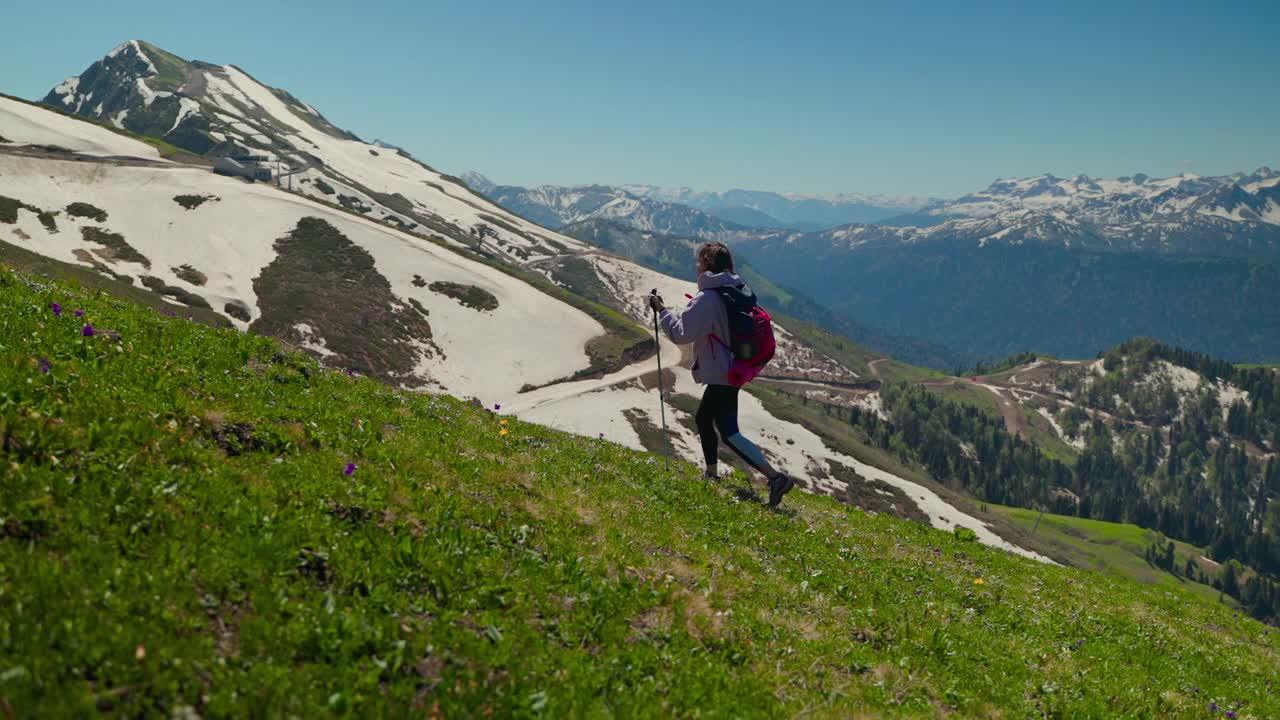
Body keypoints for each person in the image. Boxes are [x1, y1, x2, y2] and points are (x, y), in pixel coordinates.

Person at [648, 242, 795, 507]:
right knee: (705, 418)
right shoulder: (737, 290)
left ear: (706, 262)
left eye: (699, 261)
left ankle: (775, 478)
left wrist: (662, 311)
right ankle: (713, 473)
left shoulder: (708, 298)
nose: (696, 266)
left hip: (721, 372)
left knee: (728, 432)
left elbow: (682, 334)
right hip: (733, 368)